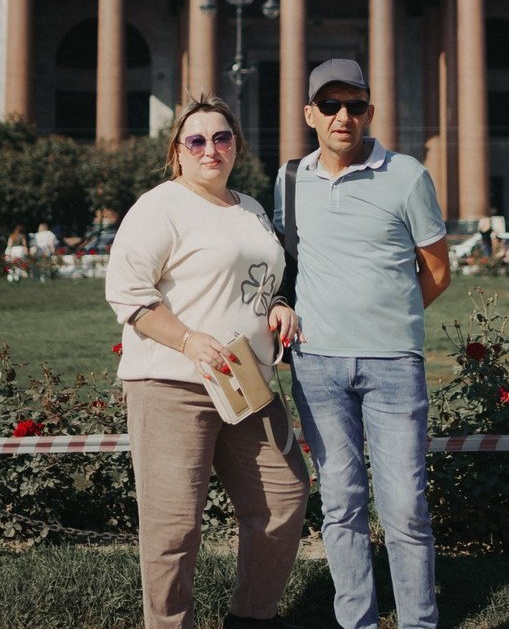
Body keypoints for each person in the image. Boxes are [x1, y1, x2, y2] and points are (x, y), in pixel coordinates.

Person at [106, 96, 309, 629]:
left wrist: (281, 304)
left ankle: (251, 618)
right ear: (178, 150)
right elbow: (127, 292)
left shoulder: (251, 208)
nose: (210, 149)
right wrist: (188, 340)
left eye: (221, 138)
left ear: (236, 144)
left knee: (284, 498)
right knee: (173, 526)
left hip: (245, 380)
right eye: (196, 140)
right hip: (172, 382)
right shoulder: (160, 206)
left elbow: (264, 279)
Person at [275, 59, 451, 629]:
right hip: (317, 366)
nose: (342, 116)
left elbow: (437, 270)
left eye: (354, 105)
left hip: (393, 364)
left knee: (405, 509)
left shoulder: (407, 176)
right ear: (310, 114)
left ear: (369, 112)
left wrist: (392, 318)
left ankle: (419, 622)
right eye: (330, 106)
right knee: (340, 505)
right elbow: (286, 265)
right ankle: (357, 622)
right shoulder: (290, 180)